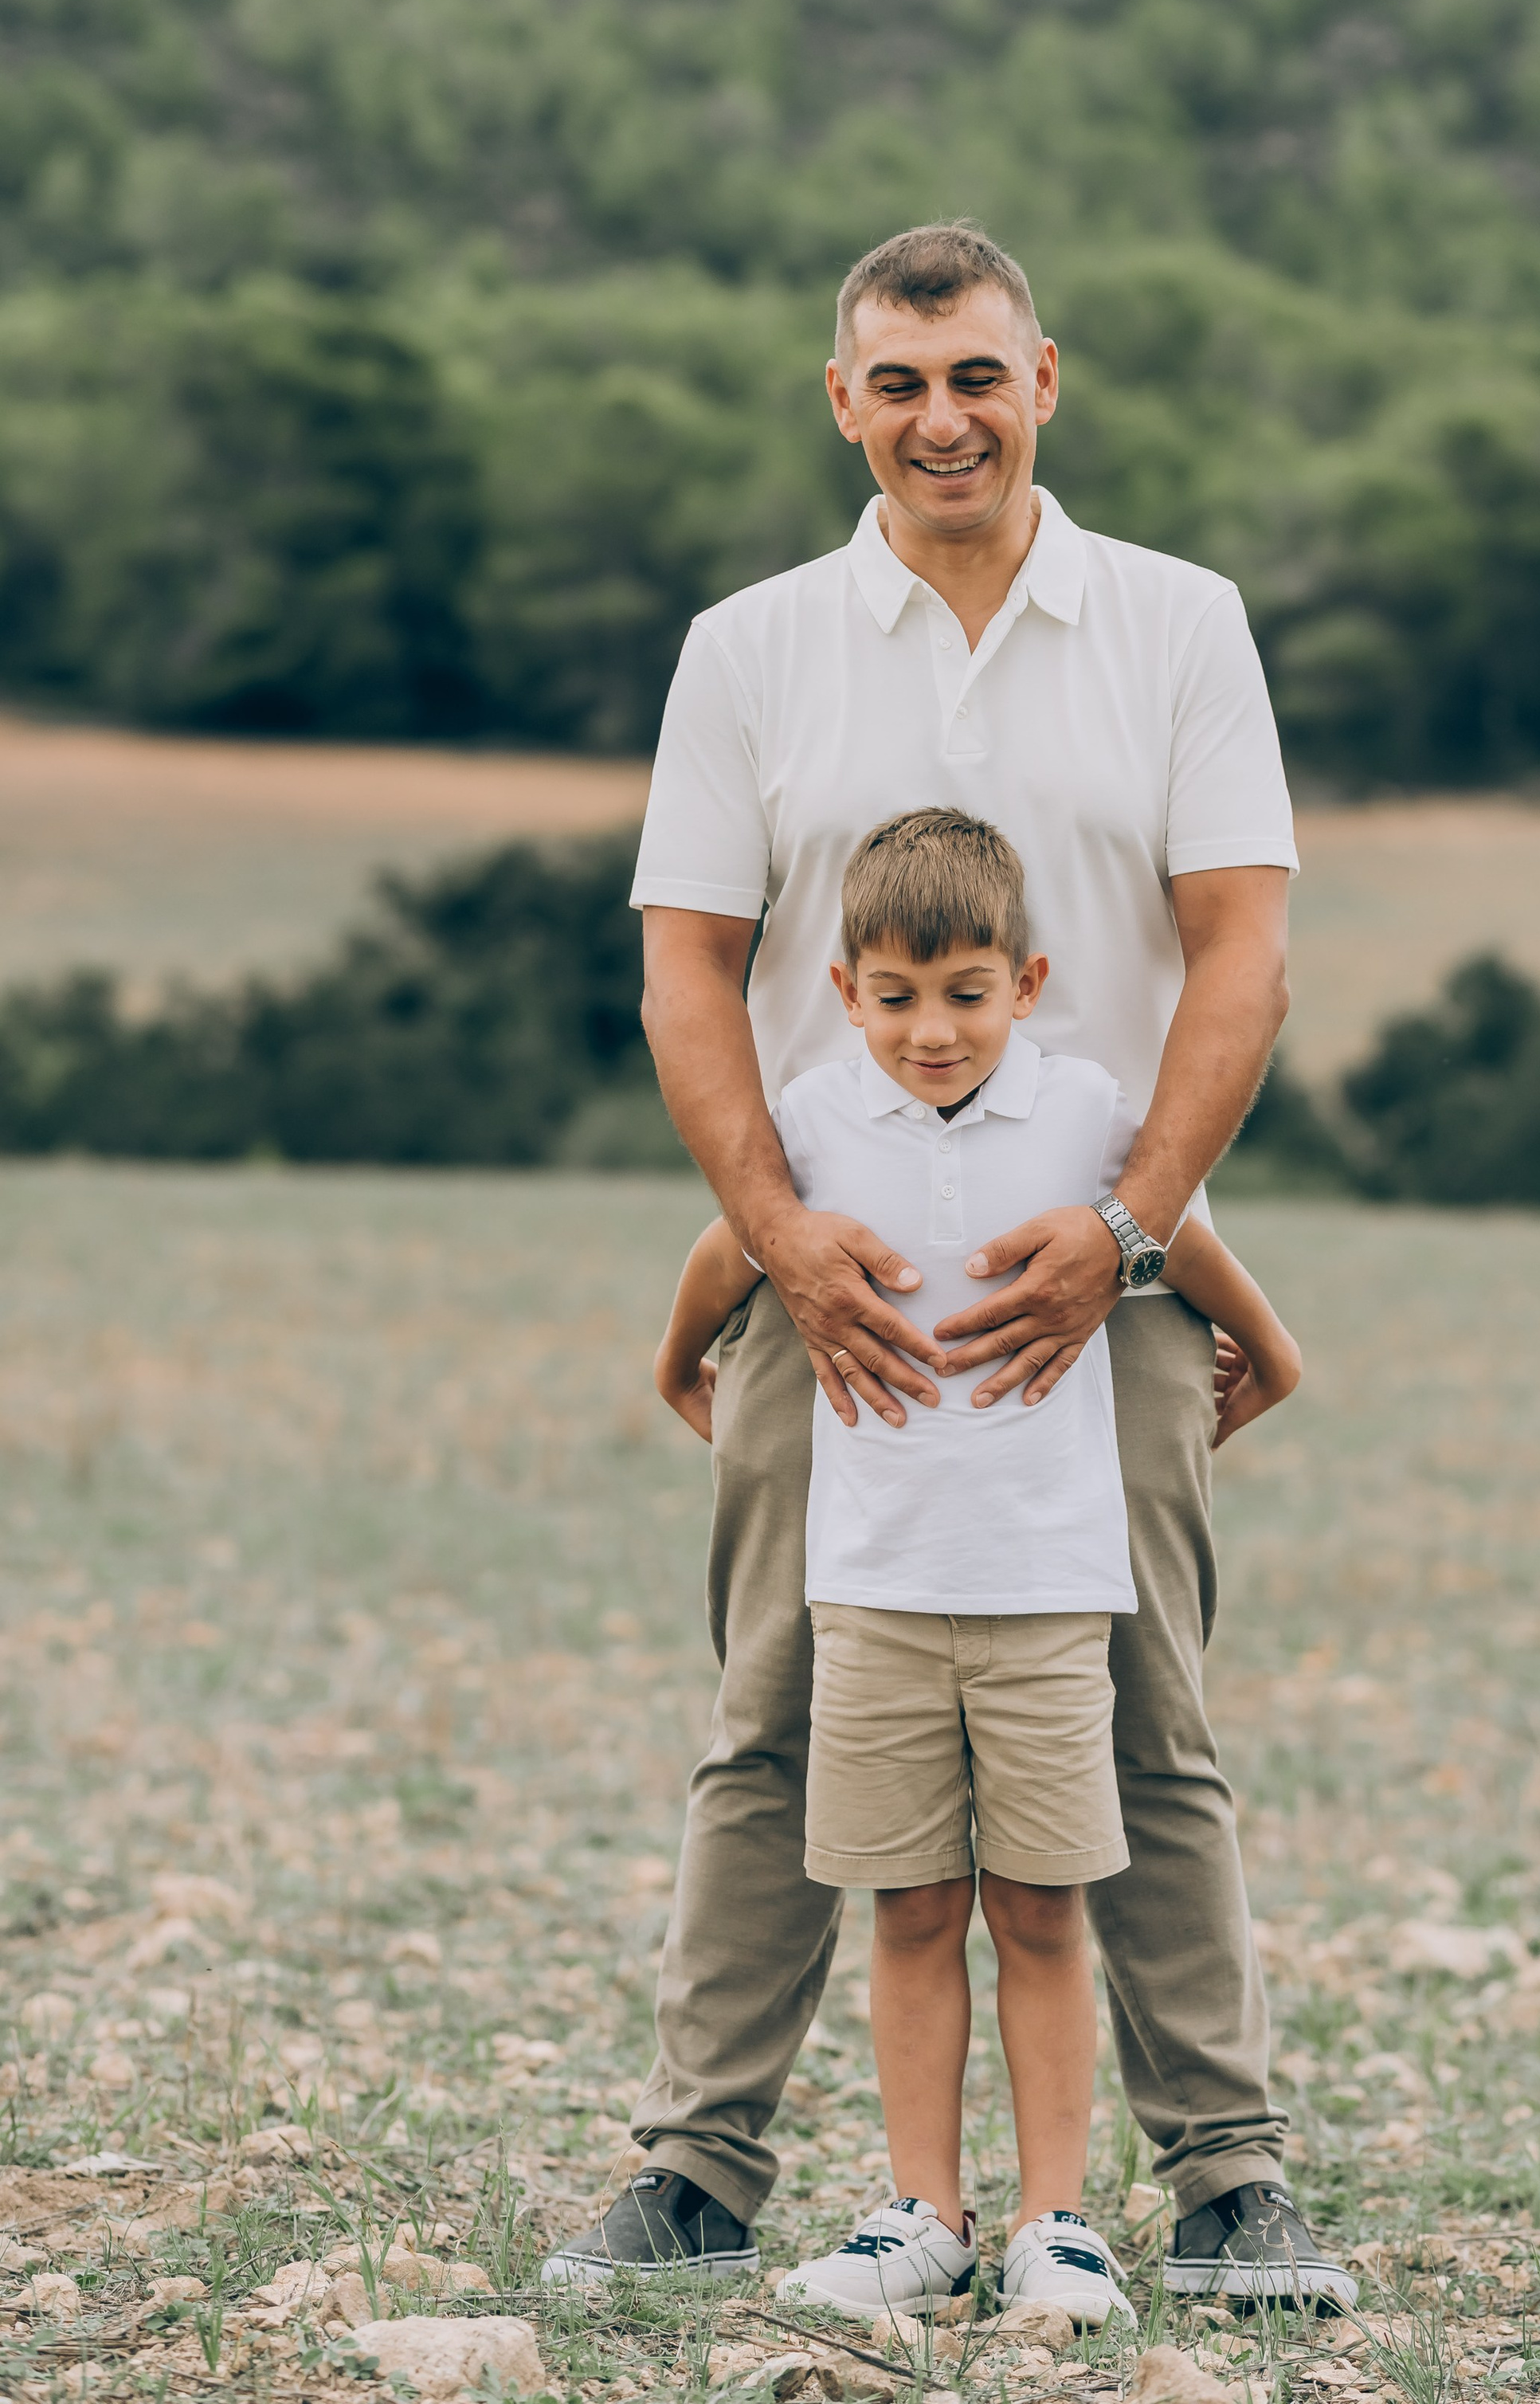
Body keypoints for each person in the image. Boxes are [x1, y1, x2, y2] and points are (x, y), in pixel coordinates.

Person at [542, 220, 1355, 2312]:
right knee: (771, 1727)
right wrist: (781, 1243)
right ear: (845, 403)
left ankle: (1228, 2176)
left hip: (1122, 1278)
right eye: (899, 383)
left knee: (1149, 1725)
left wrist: (1133, 1230)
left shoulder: (1181, 629)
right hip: (838, 1297)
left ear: (1045, 381)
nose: (942, 419)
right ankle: (701, 2170)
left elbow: (1243, 953)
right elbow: (689, 973)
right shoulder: (753, 647)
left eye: (977, 376)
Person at [649, 808, 1304, 2322]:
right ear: (843, 988)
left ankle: (1056, 2222)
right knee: (912, 1907)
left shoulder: (1086, 1114)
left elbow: (1183, 1235)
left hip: (1048, 1594)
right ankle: (919, 2214)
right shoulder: (812, 1120)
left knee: (1046, 1907)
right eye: (895, 997)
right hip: (872, 1589)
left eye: (965, 993)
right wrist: (679, 1363)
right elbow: (729, 1245)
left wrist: (1271, 1351)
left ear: (1030, 980)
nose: (931, 1030)